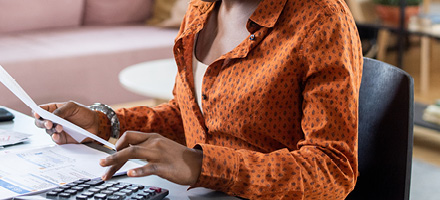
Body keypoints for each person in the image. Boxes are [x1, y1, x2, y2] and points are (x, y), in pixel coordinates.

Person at [34, 0, 362, 199]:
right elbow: (189, 117)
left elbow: (333, 171)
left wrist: (201, 165)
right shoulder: (201, 10)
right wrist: (104, 122)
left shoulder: (322, 21)